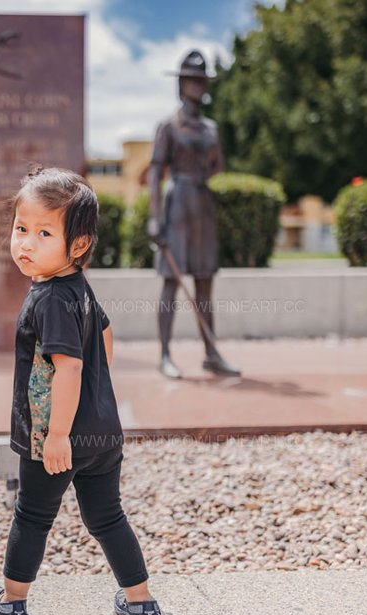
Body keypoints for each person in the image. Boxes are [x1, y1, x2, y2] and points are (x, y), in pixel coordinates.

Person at [0, 167, 162, 615]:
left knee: (33, 516)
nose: (26, 243)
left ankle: (12, 604)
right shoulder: (77, 288)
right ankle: (140, 604)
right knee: (107, 515)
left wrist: (58, 433)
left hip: (53, 438)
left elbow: (70, 366)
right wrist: (98, 397)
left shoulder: (48, 300)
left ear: (77, 245)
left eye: (43, 233)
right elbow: (104, 332)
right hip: (102, 433)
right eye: (21, 229)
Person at [148, 49, 240, 379]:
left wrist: (200, 179)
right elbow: (155, 173)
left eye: (202, 80)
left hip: (202, 205)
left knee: (204, 283)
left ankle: (211, 353)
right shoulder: (168, 126)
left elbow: (217, 165)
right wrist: (154, 217)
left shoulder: (210, 128)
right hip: (176, 206)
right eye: (193, 80)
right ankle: (165, 354)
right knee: (172, 283)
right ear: (182, 84)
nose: (199, 86)